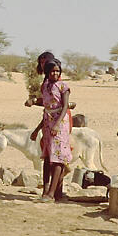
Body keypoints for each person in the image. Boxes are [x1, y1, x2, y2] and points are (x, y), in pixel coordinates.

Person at [36, 59, 72, 202]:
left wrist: (57, 124)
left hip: (59, 123)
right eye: (52, 71)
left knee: (58, 158)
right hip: (47, 121)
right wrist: (33, 101)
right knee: (48, 156)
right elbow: (45, 102)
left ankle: (51, 194)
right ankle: (47, 191)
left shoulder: (64, 86)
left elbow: (64, 107)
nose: (55, 73)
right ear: (47, 72)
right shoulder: (44, 85)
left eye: (57, 71)